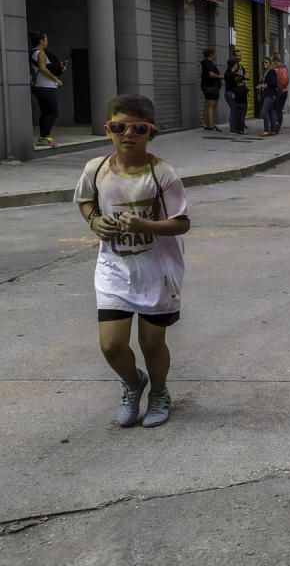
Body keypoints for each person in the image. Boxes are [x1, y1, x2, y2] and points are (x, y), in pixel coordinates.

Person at [73, 94, 191, 428]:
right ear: (108, 129)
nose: (128, 134)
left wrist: (145, 225)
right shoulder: (95, 169)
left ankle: (159, 391)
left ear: (150, 133)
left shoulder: (163, 174)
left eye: (138, 128)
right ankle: (132, 382)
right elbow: (85, 201)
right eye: (119, 126)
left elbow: (182, 223)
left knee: (152, 343)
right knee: (111, 345)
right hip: (114, 269)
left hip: (157, 272)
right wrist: (94, 221)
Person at [29, 31, 67, 147]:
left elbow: (45, 68)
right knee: (53, 112)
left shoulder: (33, 52)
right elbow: (43, 69)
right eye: (46, 39)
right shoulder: (40, 52)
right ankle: (44, 137)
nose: (47, 41)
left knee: (46, 112)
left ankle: (43, 137)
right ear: (41, 41)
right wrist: (56, 79)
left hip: (39, 86)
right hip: (45, 86)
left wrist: (59, 68)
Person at [200, 49, 223, 132]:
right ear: (211, 54)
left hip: (207, 87)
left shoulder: (205, 62)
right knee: (211, 107)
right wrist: (221, 77)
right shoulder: (208, 63)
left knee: (207, 106)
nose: (216, 55)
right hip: (211, 87)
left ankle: (207, 124)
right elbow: (211, 74)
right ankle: (211, 126)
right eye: (215, 54)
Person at [223, 58, 248, 134]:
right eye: (237, 64)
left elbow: (241, 76)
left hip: (229, 93)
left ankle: (235, 129)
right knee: (234, 111)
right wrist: (244, 77)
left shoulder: (229, 72)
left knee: (235, 111)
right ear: (234, 65)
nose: (238, 65)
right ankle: (233, 129)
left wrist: (243, 76)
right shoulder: (230, 74)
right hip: (231, 94)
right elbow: (239, 79)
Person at [259, 58, 280, 137]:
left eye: (266, 62)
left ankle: (266, 130)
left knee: (263, 112)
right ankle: (273, 130)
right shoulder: (265, 72)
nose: (264, 64)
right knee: (270, 112)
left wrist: (263, 85)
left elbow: (274, 83)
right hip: (266, 94)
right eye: (263, 62)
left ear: (270, 63)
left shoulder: (272, 72)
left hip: (270, 95)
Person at [271, 53, 289, 133]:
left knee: (275, 109)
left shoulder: (274, 69)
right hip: (285, 91)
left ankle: (276, 128)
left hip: (277, 91)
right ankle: (279, 127)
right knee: (280, 110)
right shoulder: (284, 67)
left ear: (273, 60)